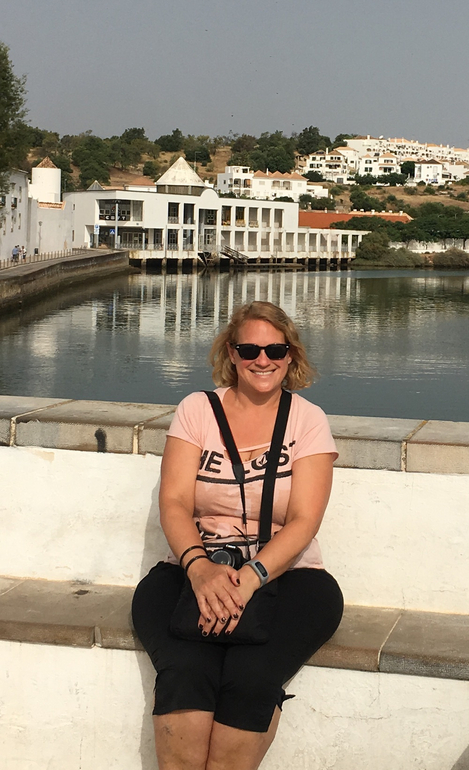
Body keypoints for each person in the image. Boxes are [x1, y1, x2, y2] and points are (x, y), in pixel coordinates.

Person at [132, 301, 343, 770]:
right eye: (249, 349)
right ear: (231, 353)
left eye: (275, 349)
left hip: (287, 575)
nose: (262, 360)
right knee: (185, 671)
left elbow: (305, 520)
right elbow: (174, 504)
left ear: (291, 355)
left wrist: (249, 578)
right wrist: (201, 568)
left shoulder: (307, 420)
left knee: (251, 678)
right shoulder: (197, 410)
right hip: (194, 566)